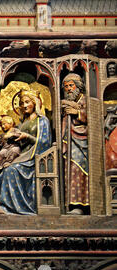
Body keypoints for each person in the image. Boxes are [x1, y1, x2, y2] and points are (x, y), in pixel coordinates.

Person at [0, 89, 52, 215]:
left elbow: (45, 143)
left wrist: (28, 137)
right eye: (21, 103)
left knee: (11, 170)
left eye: (27, 102)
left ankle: (9, 206)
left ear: (35, 103)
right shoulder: (20, 124)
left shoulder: (42, 121)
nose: (24, 106)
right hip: (19, 156)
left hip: (35, 158)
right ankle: (2, 204)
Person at [61, 73, 89, 215]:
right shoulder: (66, 102)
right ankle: (71, 203)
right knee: (69, 171)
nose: (68, 89)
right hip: (69, 140)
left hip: (83, 142)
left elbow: (93, 116)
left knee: (78, 170)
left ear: (78, 86)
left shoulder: (86, 100)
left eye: (71, 86)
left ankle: (81, 204)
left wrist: (77, 113)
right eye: (66, 87)